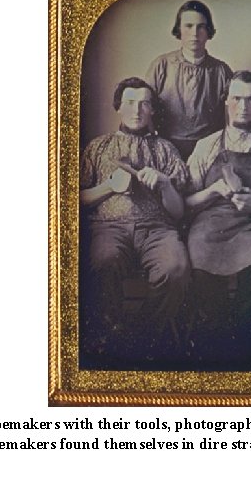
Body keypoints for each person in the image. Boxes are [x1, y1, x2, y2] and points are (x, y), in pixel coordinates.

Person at [79, 77, 190, 368]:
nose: (136, 109)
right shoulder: (98, 147)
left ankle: (142, 338)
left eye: (144, 103)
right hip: (108, 227)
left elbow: (179, 213)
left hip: (158, 230)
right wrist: (109, 187)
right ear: (118, 107)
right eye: (129, 102)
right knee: (102, 261)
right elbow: (72, 198)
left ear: (152, 109)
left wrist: (165, 185)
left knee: (175, 268)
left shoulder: (166, 150)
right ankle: (110, 338)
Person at [185, 70, 251, 367]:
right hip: (208, 227)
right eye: (237, 98)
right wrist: (214, 191)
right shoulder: (206, 146)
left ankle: (237, 339)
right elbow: (186, 203)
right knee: (201, 274)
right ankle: (221, 341)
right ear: (226, 102)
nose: (244, 106)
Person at [145, 0, 233, 161]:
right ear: (179, 29)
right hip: (166, 149)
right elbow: (145, 110)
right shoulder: (161, 65)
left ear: (208, 31)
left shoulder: (222, 71)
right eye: (189, 26)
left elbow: (231, 118)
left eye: (201, 26)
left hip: (209, 152)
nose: (195, 33)